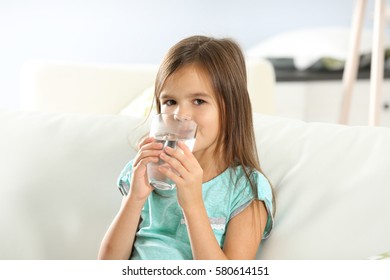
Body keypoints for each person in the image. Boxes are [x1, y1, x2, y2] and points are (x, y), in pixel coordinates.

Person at [98, 35, 274, 260]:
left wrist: (193, 204)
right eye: (170, 102)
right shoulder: (146, 172)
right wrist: (135, 198)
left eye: (199, 101)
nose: (180, 115)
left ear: (231, 109)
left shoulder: (246, 189)